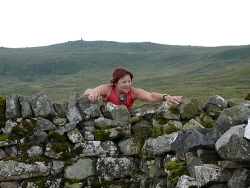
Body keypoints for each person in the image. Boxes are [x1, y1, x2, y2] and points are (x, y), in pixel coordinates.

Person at [83, 67, 182, 109]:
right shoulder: (108, 89)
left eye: (129, 81)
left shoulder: (134, 92)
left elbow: (150, 96)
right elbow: (87, 91)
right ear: (116, 83)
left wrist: (166, 97)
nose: (127, 85)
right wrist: (93, 92)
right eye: (124, 82)